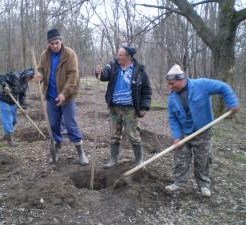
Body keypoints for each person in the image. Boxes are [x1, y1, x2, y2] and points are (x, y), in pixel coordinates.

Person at [165, 64, 240, 197]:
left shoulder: (201, 85)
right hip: (184, 133)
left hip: (203, 131)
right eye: (169, 84)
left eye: (172, 83)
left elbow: (223, 87)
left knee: (202, 160)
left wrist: (232, 102)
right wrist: (177, 136)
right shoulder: (172, 98)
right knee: (180, 159)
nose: (170, 87)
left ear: (180, 79)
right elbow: (173, 119)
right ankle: (178, 183)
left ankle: (204, 185)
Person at [34, 28, 88, 166]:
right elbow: (40, 69)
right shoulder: (44, 55)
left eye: (57, 42)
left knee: (70, 124)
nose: (55, 46)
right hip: (51, 97)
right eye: (51, 43)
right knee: (53, 125)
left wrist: (64, 94)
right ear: (48, 43)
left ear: (61, 41)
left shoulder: (70, 54)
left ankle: (81, 152)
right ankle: (57, 149)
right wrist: (39, 75)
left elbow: (73, 76)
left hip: (67, 97)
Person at [95, 46, 152, 168]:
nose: (118, 57)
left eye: (121, 55)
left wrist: (144, 107)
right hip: (114, 107)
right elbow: (104, 76)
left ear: (129, 57)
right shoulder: (113, 66)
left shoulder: (139, 71)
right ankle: (113, 159)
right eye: (118, 54)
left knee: (133, 135)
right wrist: (99, 72)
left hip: (130, 109)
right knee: (114, 135)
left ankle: (139, 161)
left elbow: (147, 90)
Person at [0, 67, 34, 146]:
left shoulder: (25, 84)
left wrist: (23, 108)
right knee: (8, 120)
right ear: (26, 75)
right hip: (4, 99)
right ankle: (10, 141)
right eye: (29, 77)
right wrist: (5, 86)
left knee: (13, 121)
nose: (29, 79)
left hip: (13, 102)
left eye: (31, 78)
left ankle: (6, 135)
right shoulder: (15, 76)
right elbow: (0, 77)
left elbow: (22, 96)